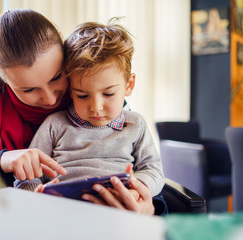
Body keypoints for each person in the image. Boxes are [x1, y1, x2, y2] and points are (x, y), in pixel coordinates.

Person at [0, 8, 155, 214]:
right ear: (5, 79)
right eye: (29, 89)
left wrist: (150, 206)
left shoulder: (90, 93)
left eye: (56, 77)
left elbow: (134, 163)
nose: (51, 98)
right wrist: (3, 160)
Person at [14, 20, 166, 215]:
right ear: (70, 89)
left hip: (117, 211)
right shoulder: (55, 124)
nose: (96, 107)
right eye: (82, 95)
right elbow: (27, 176)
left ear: (129, 85)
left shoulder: (135, 125)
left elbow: (153, 170)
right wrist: (35, 196)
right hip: (62, 213)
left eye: (108, 94)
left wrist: (137, 190)